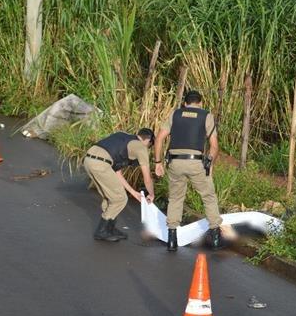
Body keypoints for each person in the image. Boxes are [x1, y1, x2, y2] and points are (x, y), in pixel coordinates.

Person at [154, 90, 223, 252]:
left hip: (175, 162)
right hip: (195, 162)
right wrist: (209, 164)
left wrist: (157, 162)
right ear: (200, 103)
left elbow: (159, 138)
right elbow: (214, 146)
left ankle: (172, 238)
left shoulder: (175, 114)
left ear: (185, 103)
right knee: (208, 196)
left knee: (175, 198)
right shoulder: (206, 115)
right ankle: (215, 238)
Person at [84, 128, 155, 242]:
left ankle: (110, 228)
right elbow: (147, 178)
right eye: (150, 145)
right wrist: (151, 194)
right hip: (101, 164)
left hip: (89, 160)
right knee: (119, 199)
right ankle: (102, 231)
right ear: (148, 140)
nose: (148, 148)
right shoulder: (141, 147)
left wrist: (133, 192)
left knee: (110, 197)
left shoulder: (123, 138)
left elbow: (117, 174)